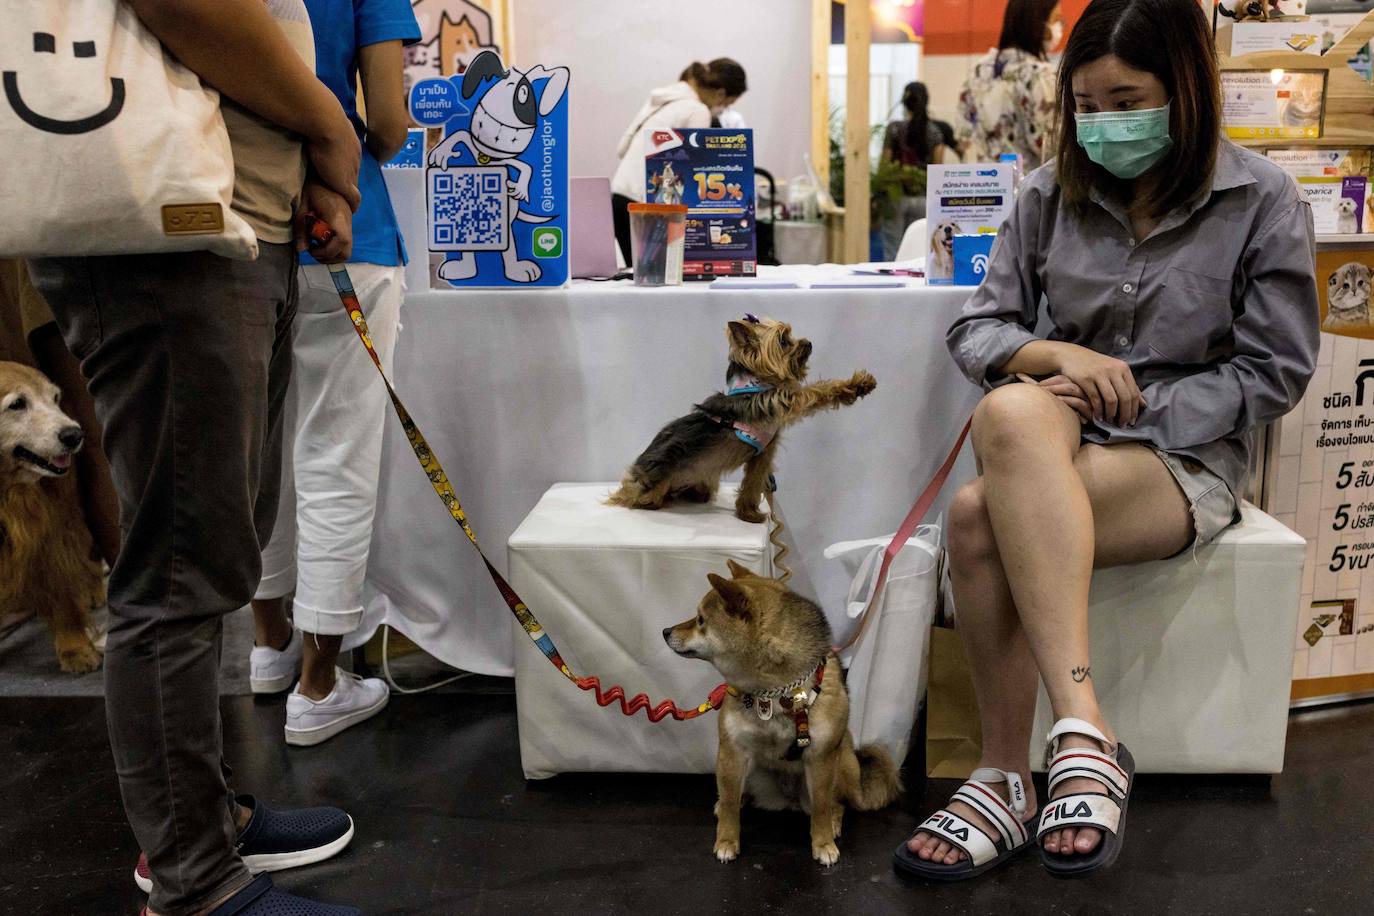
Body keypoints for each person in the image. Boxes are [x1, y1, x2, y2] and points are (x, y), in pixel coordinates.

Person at [896, 0, 1318, 881]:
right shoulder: (1048, 193)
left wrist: (1134, 410)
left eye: (1127, 100)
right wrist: (1056, 354)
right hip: (1053, 436)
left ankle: (1005, 772)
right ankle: (1084, 729)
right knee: (1009, 412)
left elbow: (1274, 371)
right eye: (1087, 105)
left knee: (976, 518)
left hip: (1184, 457)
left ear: (1185, 90)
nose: (1103, 124)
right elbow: (979, 331)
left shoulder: (1261, 200)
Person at [28, 0, 366, 912]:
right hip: (169, 231)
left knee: (213, 554)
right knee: (179, 571)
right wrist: (330, 128)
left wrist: (306, 170)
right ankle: (194, 882)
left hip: (221, 219)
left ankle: (206, 823)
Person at [248, 0, 419, 747]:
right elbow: (387, 123)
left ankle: (266, 645)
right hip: (346, 231)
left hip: (238, 220)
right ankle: (318, 685)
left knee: (262, 454)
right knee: (335, 455)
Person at [610, 58, 749, 264]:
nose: (722, 111)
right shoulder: (697, 110)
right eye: (726, 105)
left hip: (621, 195)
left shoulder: (662, 101)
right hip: (646, 203)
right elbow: (695, 167)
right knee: (656, 278)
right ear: (720, 94)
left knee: (635, 278)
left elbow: (621, 149)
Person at [957, 0, 1064, 170]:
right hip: (1027, 190)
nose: (1060, 26)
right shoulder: (1040, 74)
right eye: (1056, 19)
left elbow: (964, 136)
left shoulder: (977, 71)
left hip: (980, 186)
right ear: (1037, 23)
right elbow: (1051, 148)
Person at [878, 82, 947, 260]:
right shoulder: (935, 133)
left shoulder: (894, 129)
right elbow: (937, 174)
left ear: (904, 102)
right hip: (924, 200)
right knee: (917, 255)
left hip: (895, 198)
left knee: (892, 254)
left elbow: (884, 168)